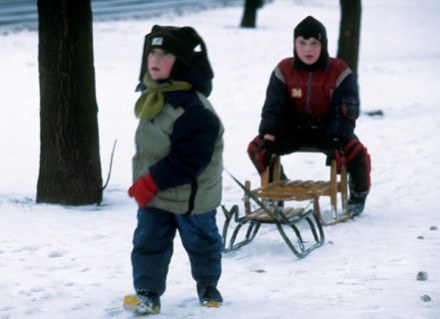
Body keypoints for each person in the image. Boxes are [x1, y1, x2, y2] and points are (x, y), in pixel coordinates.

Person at [123, 25, 224, 315]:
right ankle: (147, 293)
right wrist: (145, 180)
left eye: (165, 54)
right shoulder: (155, 97)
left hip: (192, 197)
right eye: (152, 52)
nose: (155, 59)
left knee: (201, 242)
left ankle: (207, 285)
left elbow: (190, 159)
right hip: (155, 192)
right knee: (148, 241)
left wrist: (149, 181)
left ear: (179, 62)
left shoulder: (193, 110)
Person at [247, 16, 371, 216]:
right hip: (293, 129)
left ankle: (358, 196)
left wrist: (337, 139)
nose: (308, 49)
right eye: (302, 43)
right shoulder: (283, 70)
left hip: (329, 131)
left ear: (323, 45)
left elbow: (345, 110)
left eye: (314, 43)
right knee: (257, 148)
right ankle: (277, 187)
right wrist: (269, 137)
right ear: (294, 44)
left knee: (356, 153)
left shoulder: (340, 71)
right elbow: (274, 108)